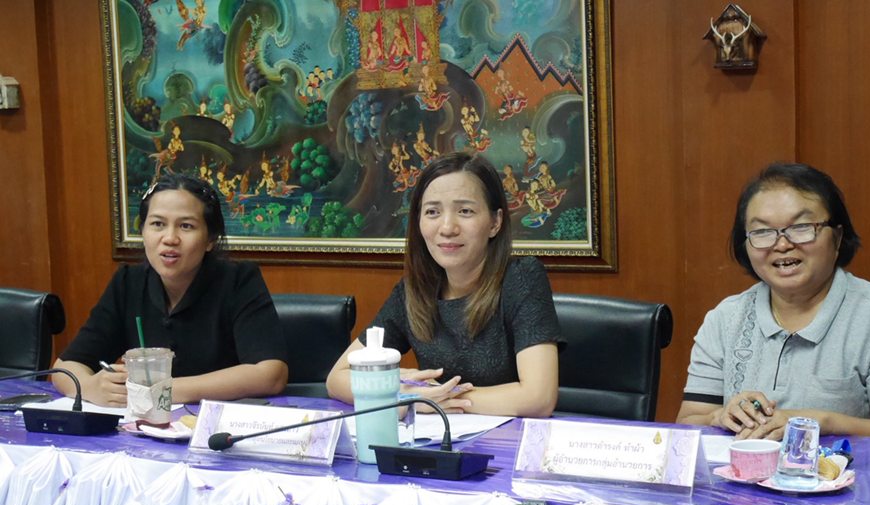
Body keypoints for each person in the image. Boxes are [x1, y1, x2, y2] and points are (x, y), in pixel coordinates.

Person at [676, 162, 870, 440]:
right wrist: (719, 417)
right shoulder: (725, 320)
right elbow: (688, 423)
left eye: (801, 227)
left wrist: (822, 422)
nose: (782, 245)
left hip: (845, 469)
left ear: (837, 237)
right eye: (762, 232)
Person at [327, 152, 561, 417]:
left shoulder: (522, 278)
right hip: (439, 439)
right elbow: (337, 378)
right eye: (432, 212)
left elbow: (539, 398)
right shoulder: (414, 290)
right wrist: (403, 394)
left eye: (465, 211)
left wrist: (435, 399)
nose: (447, 227)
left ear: (495, 222)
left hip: (510, 439)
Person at [52, 174, 288, 406]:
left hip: (214, 425)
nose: (170, 238)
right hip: (143, 425)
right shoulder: (128, 282)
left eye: (186, 226)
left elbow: (270, 373)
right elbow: (65, 367)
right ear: (143, 232)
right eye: (158, 224)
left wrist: (163, 390)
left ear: (210, 239)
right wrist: (89, 386)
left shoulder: (238, 280)